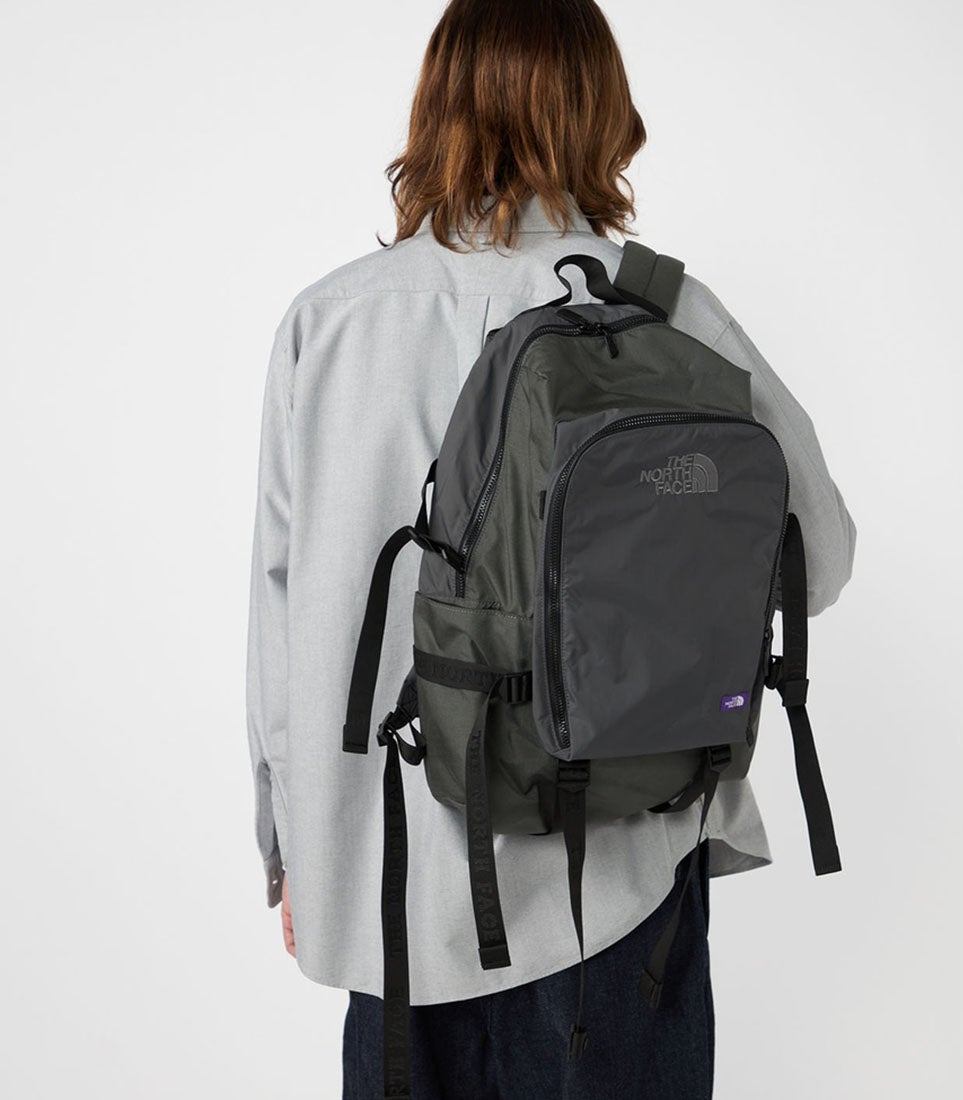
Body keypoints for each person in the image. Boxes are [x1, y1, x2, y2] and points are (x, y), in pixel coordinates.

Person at [245, 1, 857, 1096]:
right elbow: (822, 555)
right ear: (598, 110)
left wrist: (289, 846)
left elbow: (278, 618)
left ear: (436, 105)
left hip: (389, 897)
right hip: (610, 883)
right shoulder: (666, 314)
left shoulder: (325, 324)